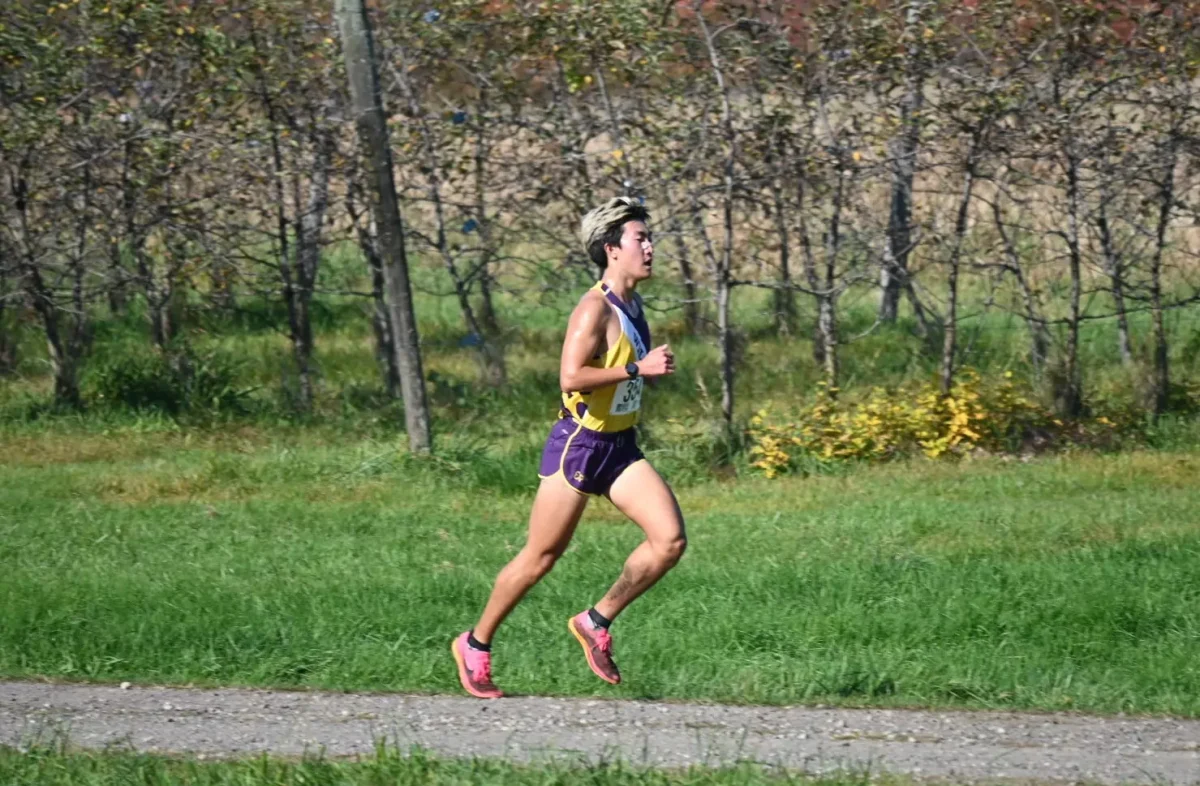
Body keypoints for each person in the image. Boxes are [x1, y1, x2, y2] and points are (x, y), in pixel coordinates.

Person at [452, 197, 688, 699]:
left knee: (669, 541)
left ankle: (595, 619)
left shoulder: (634, 304)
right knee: (541, 557)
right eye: (639, 238)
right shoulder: (593, 309)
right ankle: (475, 644)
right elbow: (570, 377)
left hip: (620, 445)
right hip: (579, 446)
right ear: (611, 250)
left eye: (649, 237)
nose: (649, 246)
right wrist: (636, 370)